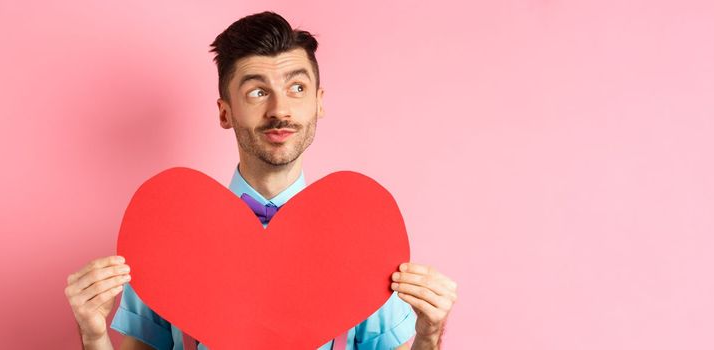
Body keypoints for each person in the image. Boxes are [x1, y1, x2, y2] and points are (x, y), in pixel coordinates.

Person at [64, 11, 458, 350]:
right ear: (225, 112)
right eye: (256, 91)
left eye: (297, 88)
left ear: (319, 102)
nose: (280, 109)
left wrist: (429, 336)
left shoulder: (364, 236)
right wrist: (93, 336)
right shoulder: (166, 232)